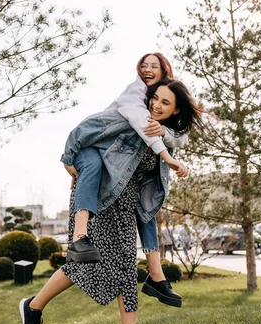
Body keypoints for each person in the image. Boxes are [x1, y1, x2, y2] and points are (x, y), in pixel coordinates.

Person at [19, 78, 202, 324]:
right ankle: (33, 307)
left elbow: (171, 150)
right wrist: (71, 160)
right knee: (85, 266)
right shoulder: (130, 120)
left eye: (165, 103)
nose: (156, 104)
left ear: (175, 111)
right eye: (156, 98)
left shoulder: (165, 135)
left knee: (126, 272)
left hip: (125, 208)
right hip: (99, 201)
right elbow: (89, 133)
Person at [64, 52, 188, 270]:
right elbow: (143, 125)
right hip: (89, 145)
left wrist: (166, 132)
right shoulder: (135, 95)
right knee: (93, 165)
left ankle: (156, 274)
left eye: (154, 66)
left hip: (104, 150)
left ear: (164, 71)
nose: (147, 69)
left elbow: (183, 136)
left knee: (146, 197)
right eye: (144, 65)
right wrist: (167, 156)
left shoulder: (157, 96)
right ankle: (79, 238)